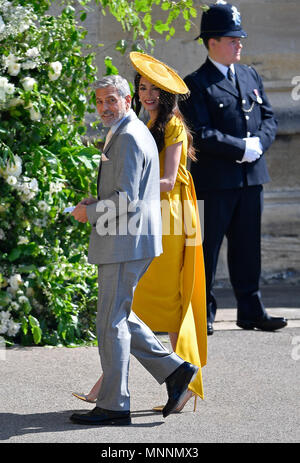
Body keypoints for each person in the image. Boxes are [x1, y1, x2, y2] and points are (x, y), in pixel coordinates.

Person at [72, 54, 207, 413]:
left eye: (110, 100)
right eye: (99, 101)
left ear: (125, 101)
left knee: (115, 318)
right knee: (122, 314)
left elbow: (130, 198)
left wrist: (91, 211)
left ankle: (114, 405)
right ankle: (177, 372)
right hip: (137, 232)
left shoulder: (133, 134)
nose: (103, 107)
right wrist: (97, 202)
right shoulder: (135, 128)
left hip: (138, 232)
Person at [179, 1, 287, 335]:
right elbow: (199, 131)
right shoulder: (195, 83)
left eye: (239, 38)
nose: (239, 43)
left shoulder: (249, 74)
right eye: (232, 38)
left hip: (251, 178)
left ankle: (251, 309)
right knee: (207, 249)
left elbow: (269, 117)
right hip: (216, 181)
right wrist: (240, 147)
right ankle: (203, 311)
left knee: (247, 247)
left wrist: (258, 146)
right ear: (212, 42)